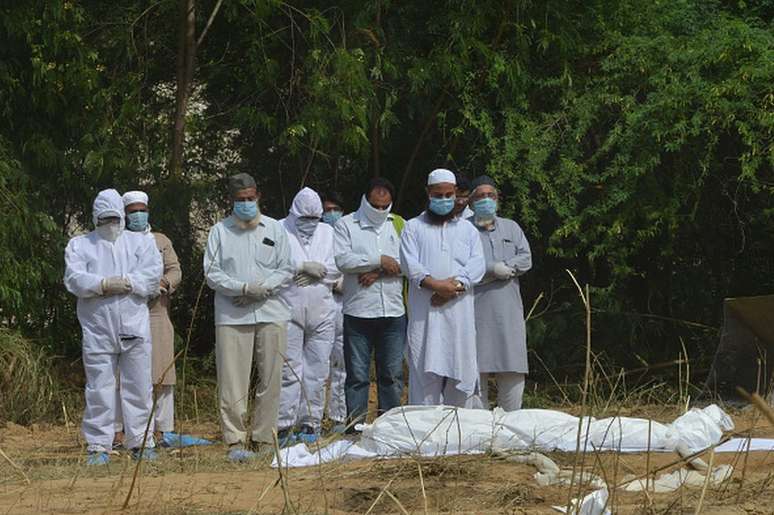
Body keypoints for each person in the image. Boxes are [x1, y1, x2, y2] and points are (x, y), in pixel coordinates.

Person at [64, 189, 163, 465]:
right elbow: (74, 279)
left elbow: (152, 275)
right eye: (104, 218)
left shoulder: (141, 243)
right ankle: (98, 445)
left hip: (134, 326)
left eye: (114, 218)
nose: (110, 224)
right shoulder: (80, 245)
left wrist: (128, 282)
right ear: (95, 217)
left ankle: (142, 443)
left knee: (140, 387)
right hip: (97, 330)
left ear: (122, 215)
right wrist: (103, 285)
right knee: (99, 388)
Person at [204, 173, 294, 462]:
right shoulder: (219, 231)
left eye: (251, 199)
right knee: (233, 380)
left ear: (259, 197)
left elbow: (286, 268)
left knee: (271, 378)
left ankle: (265, 437)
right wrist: (241, 288)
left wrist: (262, 289)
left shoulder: (276, 228)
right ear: (231, 201)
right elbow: (212, 273)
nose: (247, 204)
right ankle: (235, 440)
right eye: (241, 200)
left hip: (271, 311)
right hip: (232, 314)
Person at [121, 191, 211, 447]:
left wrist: (165, 282)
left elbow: (175, 269)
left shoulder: (160, 240)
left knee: (162, 371)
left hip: (157, 312)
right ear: (125, 214)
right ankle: (128, 430)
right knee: (128, 375)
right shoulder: (119, 241)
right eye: (133, 211)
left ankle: (164, 430)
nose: (138, 215)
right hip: (129, 312)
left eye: (142, 210)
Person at [399, 169, 485, 407]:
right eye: (439, 195)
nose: (445, 199)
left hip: (459, 311)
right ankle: (424, 437)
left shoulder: (468, 230)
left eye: (449, 194)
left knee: (460, 369)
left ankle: (458, 436)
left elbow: (477, 265)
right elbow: (409, 264)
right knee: (424, 373)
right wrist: (435, 285)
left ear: (456, 193)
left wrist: (451, 290)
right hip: (425, 313)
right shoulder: (413, 227)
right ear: (428, 193)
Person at [334, 178, 407, 427]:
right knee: (357, 375)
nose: (379, 210)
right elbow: (344, 260)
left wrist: (378, 270)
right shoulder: (346, 225)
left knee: (392, 375)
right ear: (365, 200)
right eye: (374, 205)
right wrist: (379, 259)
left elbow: (407, 262)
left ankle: (389, 427)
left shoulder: (399, 224)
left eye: (384, 205)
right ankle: (356, 426)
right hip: (358, 311)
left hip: (393, 311)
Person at [277, 187, 340, 444]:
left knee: (317, 369)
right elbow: (272, 264)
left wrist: (319, 272)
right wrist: (299, 267)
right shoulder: (279, 229)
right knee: (289, 369)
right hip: (288, 308)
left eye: (315, 218)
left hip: (323, 310)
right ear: (294, 214)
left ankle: (310, 423)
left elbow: (339, 266)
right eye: (305, 219)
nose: (310, 224)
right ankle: (283, 424)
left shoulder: (328, 232)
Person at [468, 176, 532, 410]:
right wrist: (492, 269)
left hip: (508, 311)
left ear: (498, 200)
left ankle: (512, 423)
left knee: (512, 364)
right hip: (476, 309)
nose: (486, 200)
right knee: (476, 368)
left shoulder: (511, 227)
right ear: (472, 201)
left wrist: (508, 267)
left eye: (491, 196)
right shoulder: (464, 230)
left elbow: (526, 258)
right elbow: (464, 266)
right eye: (481, 196)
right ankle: (479, 429)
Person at [321, 191, 347, 430]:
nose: (330, 214)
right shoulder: (318, 236)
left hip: (347, 304)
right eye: (326, 210)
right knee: (318, 365)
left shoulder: (348, 232)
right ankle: (312, 417)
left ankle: (339, 416)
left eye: (334, 209)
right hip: (322, 305)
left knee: (342, 365)